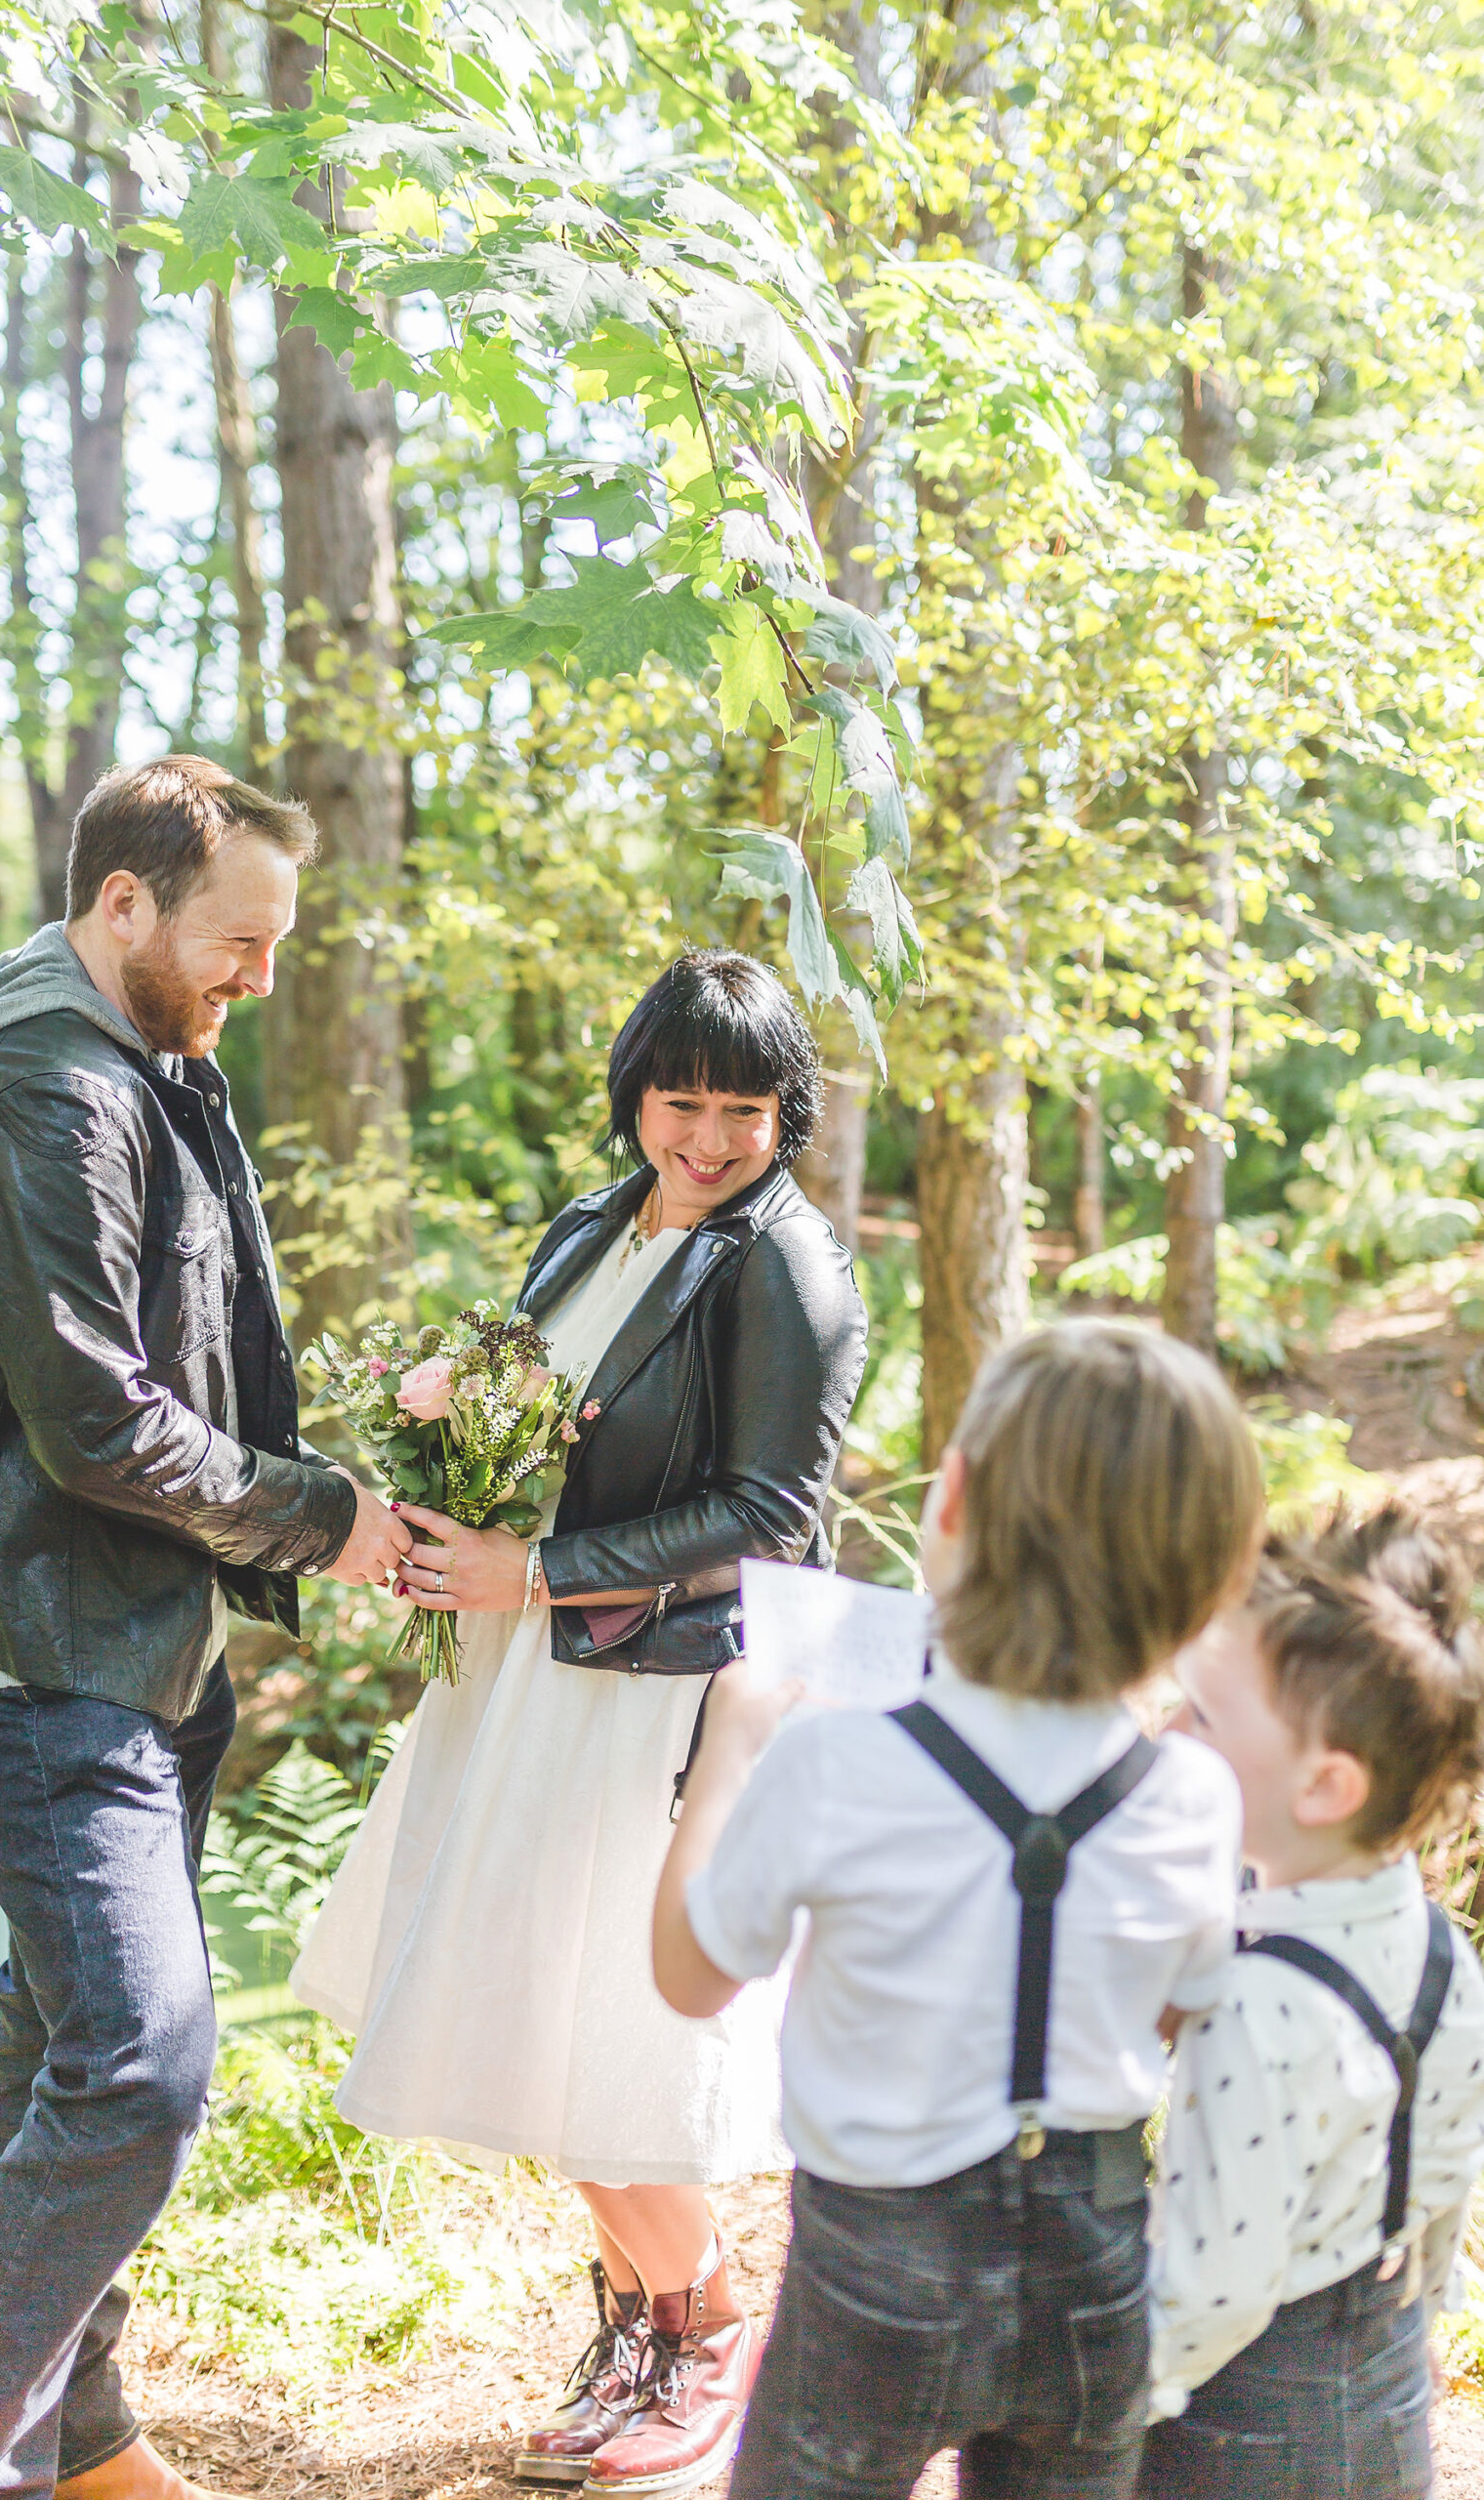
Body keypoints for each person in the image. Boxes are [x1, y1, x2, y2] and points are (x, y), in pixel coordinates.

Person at [0, 756, 411, 2500]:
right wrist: (326, 1522)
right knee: (145, 2057)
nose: (260, 971)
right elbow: (97, 1417)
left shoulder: (142, 1055)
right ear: (124, 908)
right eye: (240, 938)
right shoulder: (46, 1087)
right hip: (41, 1644)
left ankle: (76, 2428)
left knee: (51, 2031)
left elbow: (192, 1334)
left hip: (130, 1617)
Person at [291, 949, 868, 2499]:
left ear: (780, 1115)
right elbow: (537, 1400)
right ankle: (642, 2318)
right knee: (517, 2011)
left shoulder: (786, 1270)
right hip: (524, 1675)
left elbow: (771, 1510)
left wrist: (529, 1567)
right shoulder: (590, 1227)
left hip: (655, 1692)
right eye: (678, 1099)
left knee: (604, 2030)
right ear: (634, 1096)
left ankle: (712, 2332)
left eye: (741, 1109)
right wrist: (441, 1423)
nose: (705, 1135)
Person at [654, 1319, 1265, 2500]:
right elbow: (1186, 2011)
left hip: (876, 2266)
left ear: (957, 1499)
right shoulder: (1192, 1794)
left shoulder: (836, 1757)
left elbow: (690, 1974)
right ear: (1202, 1580)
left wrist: (728, 1744)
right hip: (1096, 2263)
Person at [1141, 1506, 1484, 2499]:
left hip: (1240, 2420)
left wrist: (1101, 2402)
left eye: (1204, 1712)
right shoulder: (1438, 1950)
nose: (1168, 1723)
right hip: (1381, 2375)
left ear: (1325, 1785)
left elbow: (1218, 2284)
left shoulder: (1253, 2004)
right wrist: (1421, 2326)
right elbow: (1446, 2169)